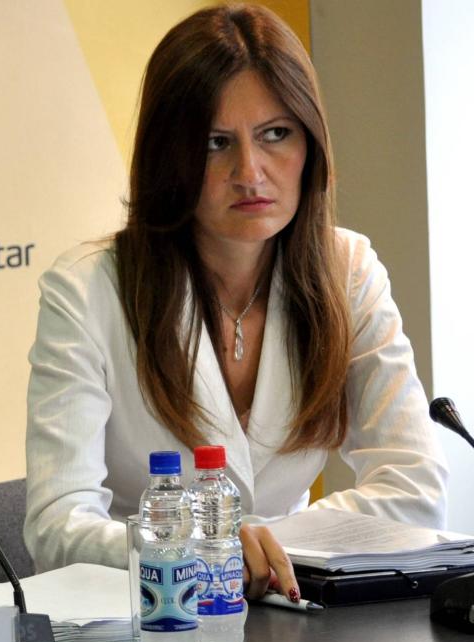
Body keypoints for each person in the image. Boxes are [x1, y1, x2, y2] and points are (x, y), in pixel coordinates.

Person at [23, 4, 446, 602]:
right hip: (151, 616)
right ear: (169, 158)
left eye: (275, 134)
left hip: (299, 608)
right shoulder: (88, 291)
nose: (250, 172)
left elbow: (415, 487)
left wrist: (266, 547)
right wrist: (206, 548)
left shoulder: (349, 270)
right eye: (215, 143)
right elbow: (56, 525)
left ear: (311, 142)